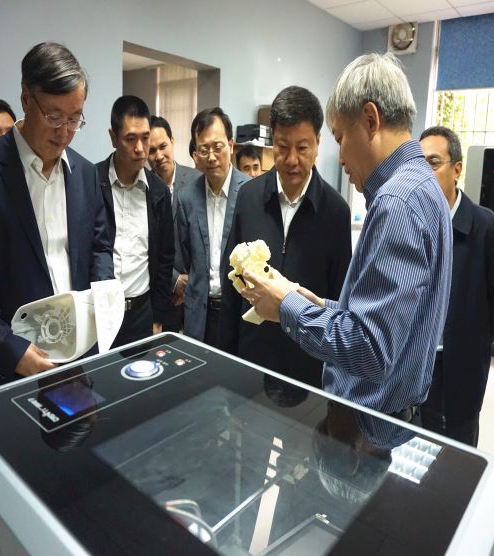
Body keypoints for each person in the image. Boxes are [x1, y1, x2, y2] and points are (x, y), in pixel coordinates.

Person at [241, 53, 452, 422]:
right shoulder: (423, 185)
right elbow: (382, 319)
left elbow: (370, 348)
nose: (339, 157)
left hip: (366, 424)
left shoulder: (397, 202)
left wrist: (287, 305)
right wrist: (320, 305)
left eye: (340, 138)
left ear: (370, 120)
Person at [0, 42, 114, 393]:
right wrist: (10, 349)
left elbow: (99, 247)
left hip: (79, 358)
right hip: (12, 364)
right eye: (54, 116)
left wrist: (100, 310)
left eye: (75, 118)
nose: (64, 131)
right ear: (26, 98)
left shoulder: (85, 173)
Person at [219, 86, 351, 388]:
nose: (292, 159)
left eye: (302, 148)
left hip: (306, 368)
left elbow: (340, 305)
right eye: (282, 146)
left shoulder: (335, 212)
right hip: (251, 362)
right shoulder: (248, 197)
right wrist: (226, 363)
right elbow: (231, 290)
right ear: (272, 143)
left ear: (318, 143)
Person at [419, 126, 494, 446]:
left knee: (455, 454)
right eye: (418, 165)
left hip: (459, 368)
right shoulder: (411, 224)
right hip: (415, 362)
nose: (424, 174)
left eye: (433, 163)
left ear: (457, 169)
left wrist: (467, 342)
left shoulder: (490, 231)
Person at [96, 97, 174, 347]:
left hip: (142, 313)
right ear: (113, 137)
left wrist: (158, 316)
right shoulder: (92, 182)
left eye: (145, 138)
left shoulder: (159, 192)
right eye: (131, 139)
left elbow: (165, 258)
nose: (140, 148)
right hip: (99, 312)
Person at [176, 108, 250, 345]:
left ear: (231, 145)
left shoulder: (251, 193)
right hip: (200, 315)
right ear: (196, 153)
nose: (211, 156)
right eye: (203, 149)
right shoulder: (186, 198)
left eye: (217, 147)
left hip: (240, 313)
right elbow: (182, 257)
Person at [147, 115, 201, 332]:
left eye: (163, 146)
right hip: (161, 294)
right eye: (152, 150)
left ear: (172, 141)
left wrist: (191, 282)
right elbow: (146, 247)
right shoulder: (143, 188)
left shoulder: (197, 180)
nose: (159, 156)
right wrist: (175, 281)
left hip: (197, 293)